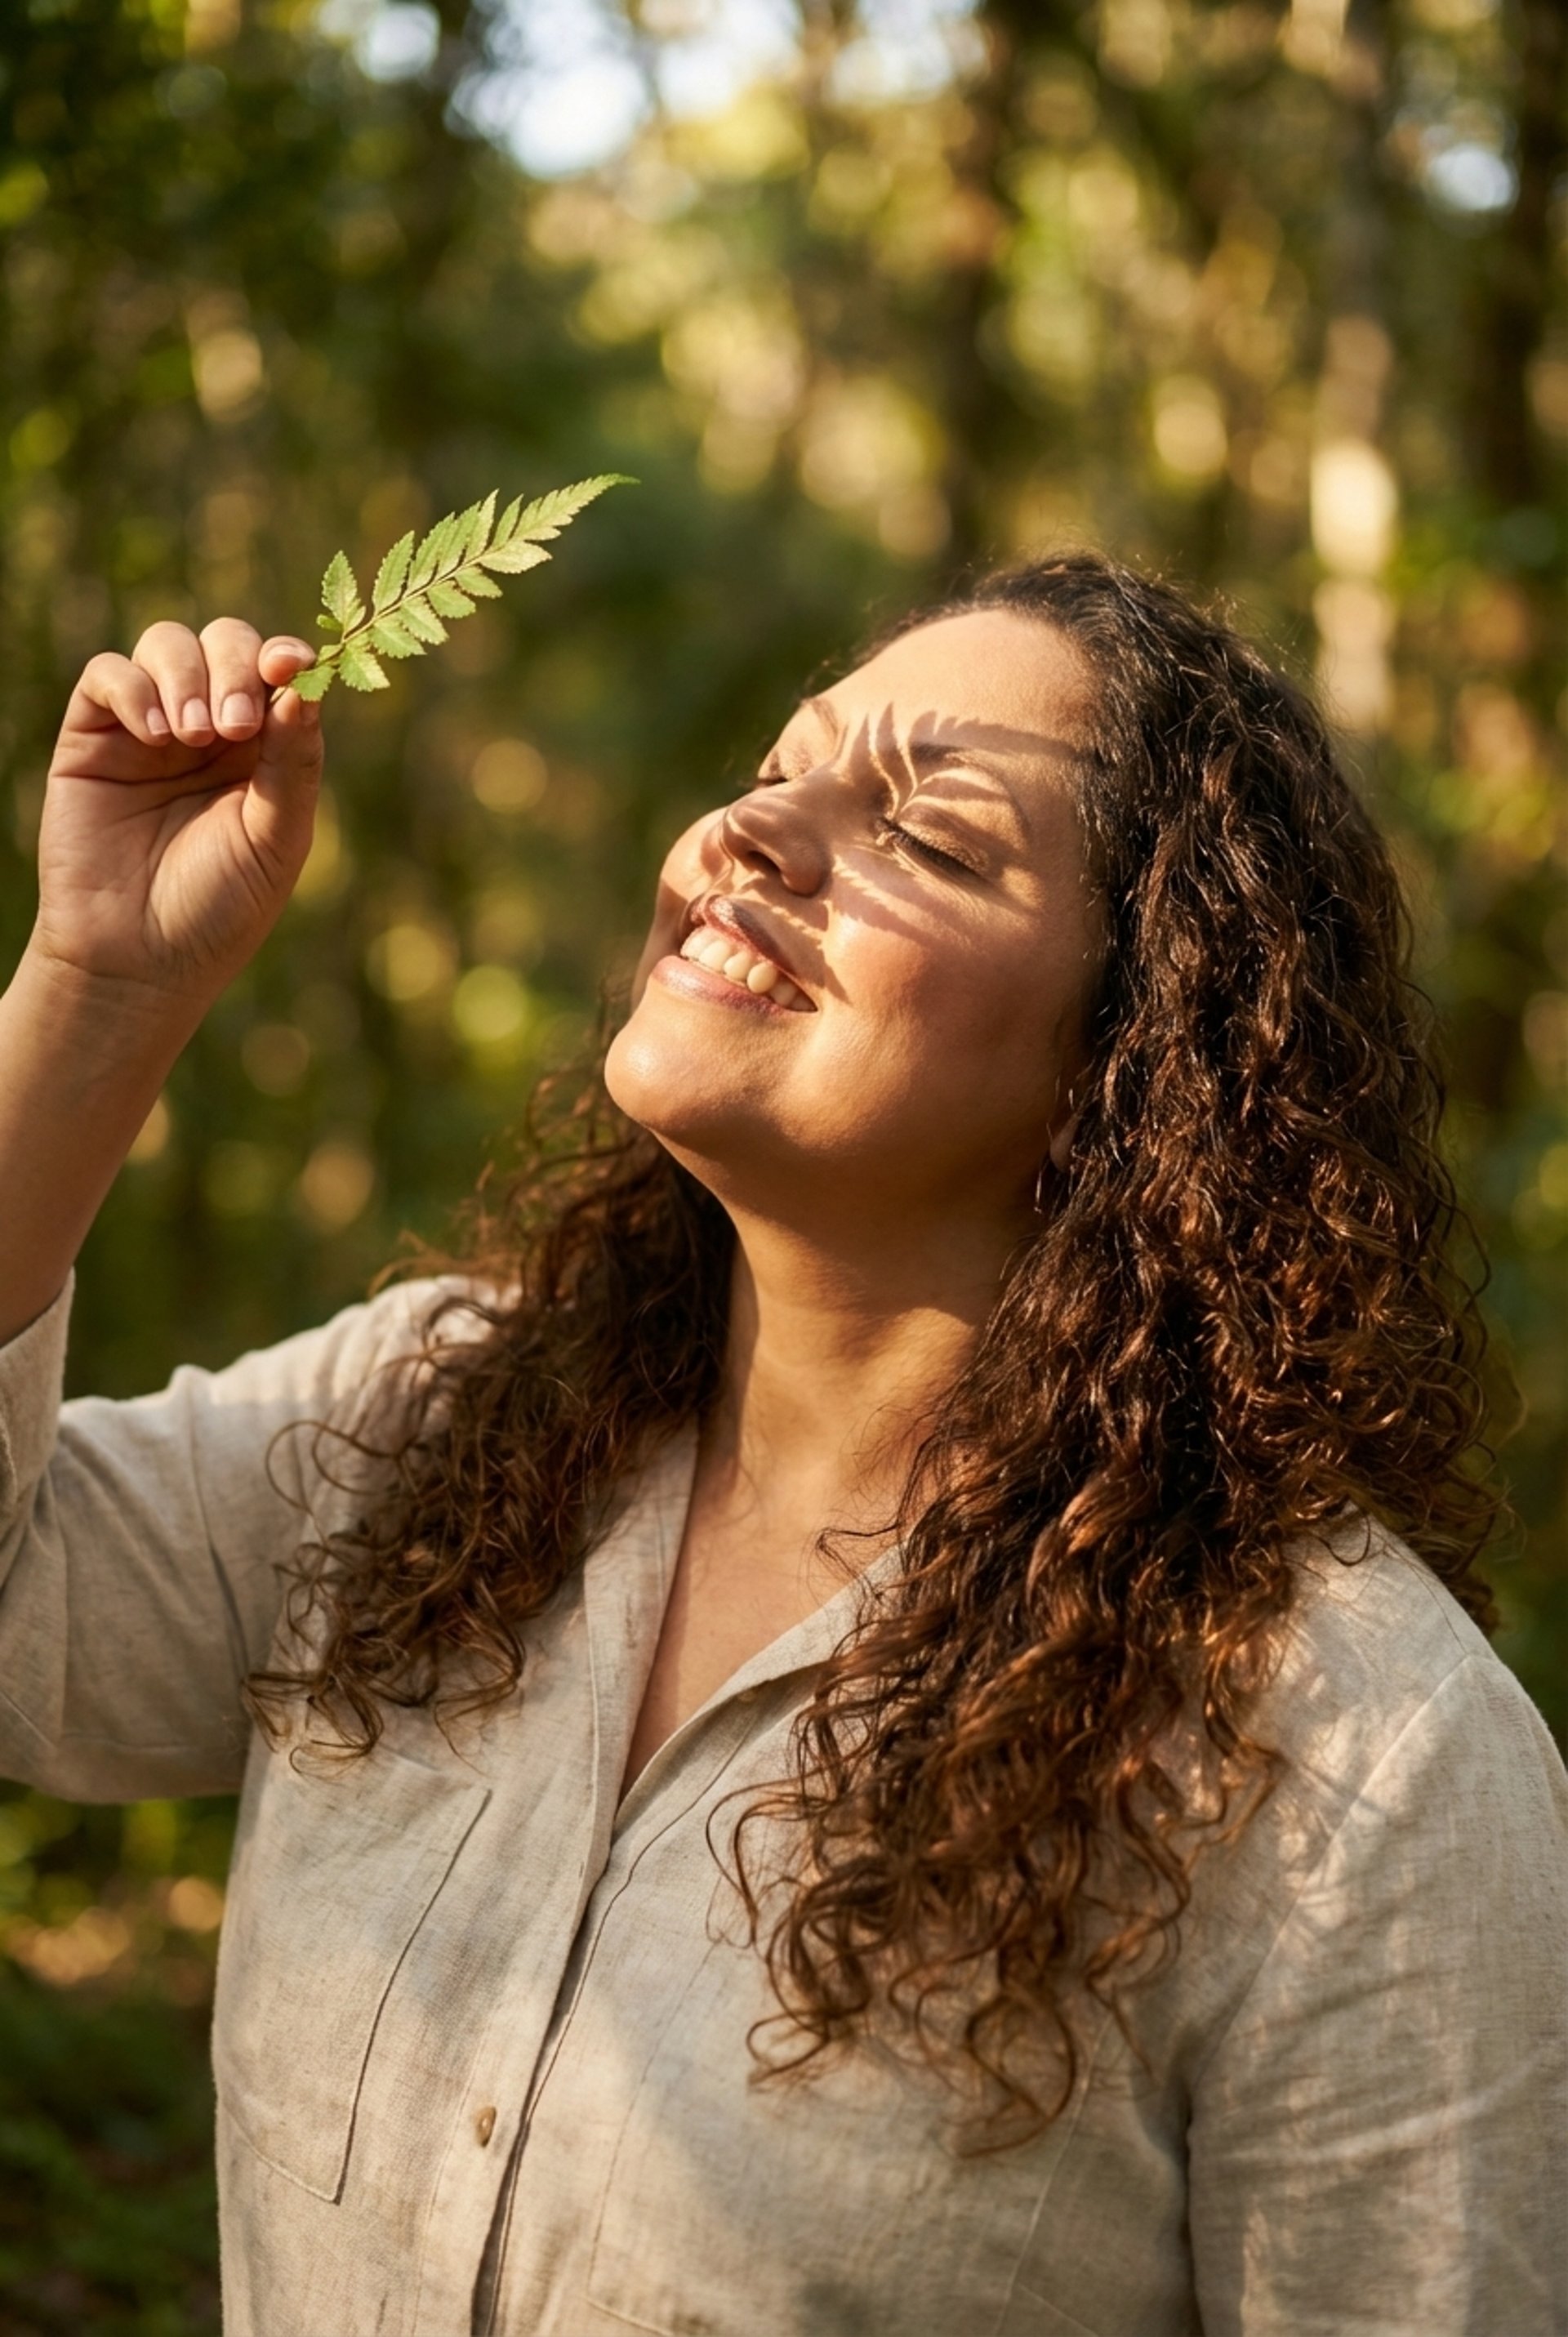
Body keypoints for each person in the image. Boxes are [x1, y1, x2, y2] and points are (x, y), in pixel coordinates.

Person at [0, 554, 1561, 2337]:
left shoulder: (1354, 1754)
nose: (752, 831)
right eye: (779, 764)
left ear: (1144, 1059)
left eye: (933, 836)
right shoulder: (422, 1426)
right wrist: (101, 987)